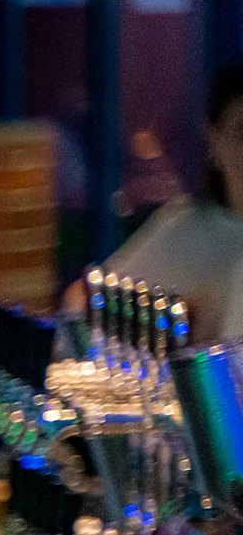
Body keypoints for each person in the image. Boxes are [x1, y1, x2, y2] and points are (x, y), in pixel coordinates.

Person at [72, 63, 243, 339]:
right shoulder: (185, 229)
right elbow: (82, 299)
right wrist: (178, 320)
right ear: (213, 139)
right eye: (241, 131)